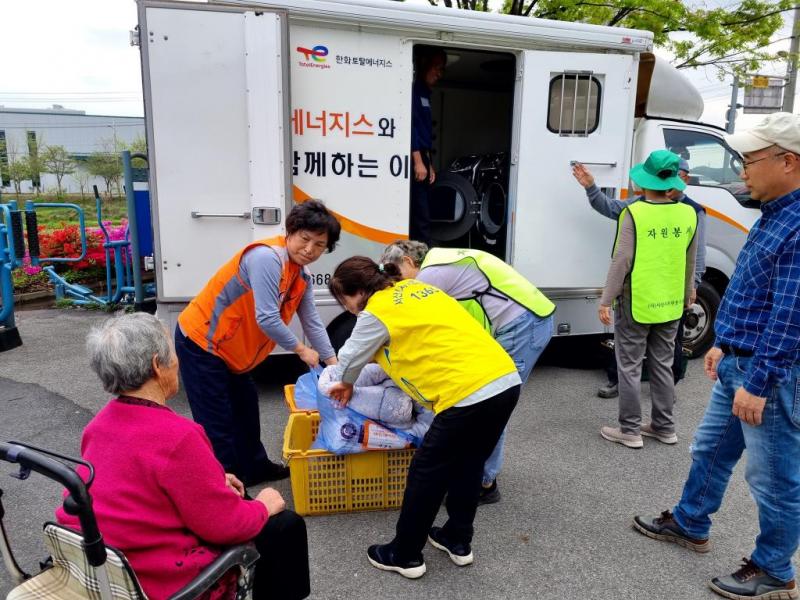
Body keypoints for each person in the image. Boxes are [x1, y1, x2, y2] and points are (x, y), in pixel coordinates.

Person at [633, 113, 800, 599]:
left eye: (750, 160)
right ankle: (690, 522)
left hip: (767, 373)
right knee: (711, 450)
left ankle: (775, 571)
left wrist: (759, 382)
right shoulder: (775, 212)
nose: (742, 170)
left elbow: (790, 316)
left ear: (788, 162)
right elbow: (756, 293)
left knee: (773, 479)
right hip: (740, 362)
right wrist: (723, 343)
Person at [57, 313, 310, 600]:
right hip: (157, 576)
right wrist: (264, 506)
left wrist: (211, 478)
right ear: (157, 365)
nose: (177, 360)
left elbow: (130, 484)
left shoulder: (98, 425)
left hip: (102, 562)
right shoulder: (179, 436)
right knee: (284, 525)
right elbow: (225, 526)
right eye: (172, 351)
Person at [326, 256, 521, 579]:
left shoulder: (377, 309)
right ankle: (457, 539)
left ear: (355, 292)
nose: (346, 308)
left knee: (426, 471)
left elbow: (349, 357)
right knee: (470, 463)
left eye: (343, 300)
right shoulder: (419, 289)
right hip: (504, 381)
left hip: (466, 394)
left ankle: (404, 554)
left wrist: (345, 383)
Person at [175, 200, 340, 486]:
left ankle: (255, 468)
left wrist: (334, 364)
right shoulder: (266, 258)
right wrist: (302, 350)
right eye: (305, 239)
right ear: (290, 232)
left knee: (246, 410)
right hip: (203, 342)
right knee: (218, 423)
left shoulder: (301, 274)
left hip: (232, 351)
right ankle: (230, 490)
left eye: (319, 245)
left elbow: (312, 322)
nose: (309, 249)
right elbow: (267, 318)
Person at [380, 240, 554, 505]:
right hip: (525, 320)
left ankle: (484, 482)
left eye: (397, 275)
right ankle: (472, 474)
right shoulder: (442, 259)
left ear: (407, 261)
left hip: (523, 326)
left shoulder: (429, 275)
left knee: (493, 402)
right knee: (489, 402)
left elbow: (414, 321)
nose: (397, 284)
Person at [572, 157, 707, 398]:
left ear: (684, 179)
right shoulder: (638, 205)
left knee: (651, 359)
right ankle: (654, 410)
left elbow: (695, 255)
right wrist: (591, 187)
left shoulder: (692, 211)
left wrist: (691, 287)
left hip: (661, 297)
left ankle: (656, 402)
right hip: (647, 296)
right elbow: (610, 207)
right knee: (644, 358)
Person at [597, 150, 698, 449]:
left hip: (637, 302)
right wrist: (687, 293)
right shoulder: (688, 213)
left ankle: (630, 430)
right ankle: (664, 427)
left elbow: (622, 260)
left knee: (629, 366)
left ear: (644, 182)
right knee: (663, 364)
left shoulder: (634, 213)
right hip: (671, 303)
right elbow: (689, 261)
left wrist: (606, 299)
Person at [410, 46, 446, 246]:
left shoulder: (425, 93)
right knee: (420, 212)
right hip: (415, 156)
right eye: (437, 67)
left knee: (424, 209)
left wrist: (428, 163)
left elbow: (425, 133)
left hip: (423, 156)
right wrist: (418, 161)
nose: (439, 74)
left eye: (442, 69)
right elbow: (412, 128)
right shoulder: (414, 92)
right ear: (424, 64)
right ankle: (422, 252)